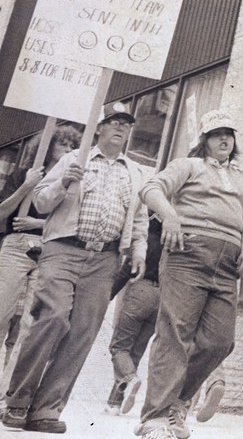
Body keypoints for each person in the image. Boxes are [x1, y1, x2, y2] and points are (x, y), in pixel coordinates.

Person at [2, 102, 148, 435]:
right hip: (63, 249)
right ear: (99, 128)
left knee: (82, 333)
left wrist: (138, 250)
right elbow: (40, 201)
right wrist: (62, 183)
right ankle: (18, 402)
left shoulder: (135, 172)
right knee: (53, 317)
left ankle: (47, 410)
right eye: (113, 122)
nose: (119, 128)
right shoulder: (74, 160)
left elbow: (138, 218)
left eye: (125, 124)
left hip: (106, 258)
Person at [134, 109, 243, 439]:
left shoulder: (242, 178)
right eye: (216, 134)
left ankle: (178, 403)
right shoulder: (189, 166)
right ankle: (155, 417)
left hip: (228, 265)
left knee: (220, 340)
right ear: (204, 140)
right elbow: (150, 189)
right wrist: (170, 216)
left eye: (229, 134)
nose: (224, 139)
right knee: (175, 333)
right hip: (187, 253)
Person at [0, 124, 81, 364]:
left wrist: (36, 223)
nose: (67, 150)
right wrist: (26, 186)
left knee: (27, 324)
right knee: (2, 312)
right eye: (62, 144)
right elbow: (3, 213)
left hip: (48, 248)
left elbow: (71, 225)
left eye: (72, 147)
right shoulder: (26, 173)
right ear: (47, 147)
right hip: (16, 245)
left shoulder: (72, 185)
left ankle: (6, 388)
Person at [106, 214, 164, 414]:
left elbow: (125, 271)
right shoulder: (173, 241)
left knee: (119, 347)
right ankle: (114, 402)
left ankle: (130, 378)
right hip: (162, 298)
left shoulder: (145, 240)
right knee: (136, 351)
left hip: (141, 290)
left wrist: (107, 296)